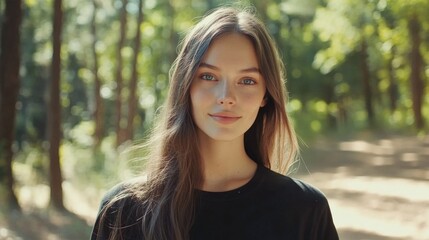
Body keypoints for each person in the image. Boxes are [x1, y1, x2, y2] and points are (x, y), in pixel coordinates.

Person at [91, 6, 339, 240]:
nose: (226, 97)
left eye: (247, 80)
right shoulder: (124, 211)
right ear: (185, 86)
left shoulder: (305, 209)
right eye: (208, 76)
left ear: (266, 94)